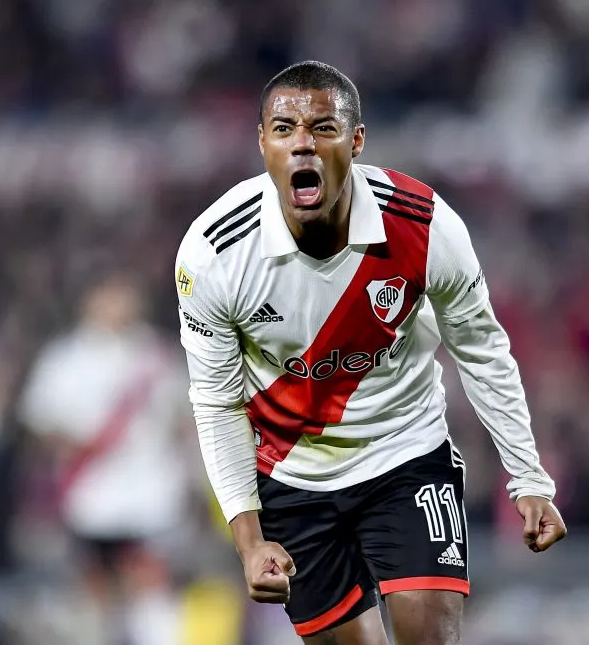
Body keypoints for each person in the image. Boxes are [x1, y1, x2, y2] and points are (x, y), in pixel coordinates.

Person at [174, 61, 566, 645]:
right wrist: (250, 542)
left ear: (356, 141)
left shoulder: (423, 225)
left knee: (428, 634)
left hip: (404, 452)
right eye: (284, 129)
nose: (302, 143)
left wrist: (528, 477)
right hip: (290, 474)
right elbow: (217, 403)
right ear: (262, 143)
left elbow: (481, 348)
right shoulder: (214, 255)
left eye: (324, 127)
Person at [21, 271, 192, 645]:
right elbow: (40, 422)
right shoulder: (65, 358)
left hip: (152, 491)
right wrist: (77, 443)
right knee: (97, 590)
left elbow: (185, 418)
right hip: (92, 493)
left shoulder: (157, 354)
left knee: (150, 584)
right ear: (91, 300)